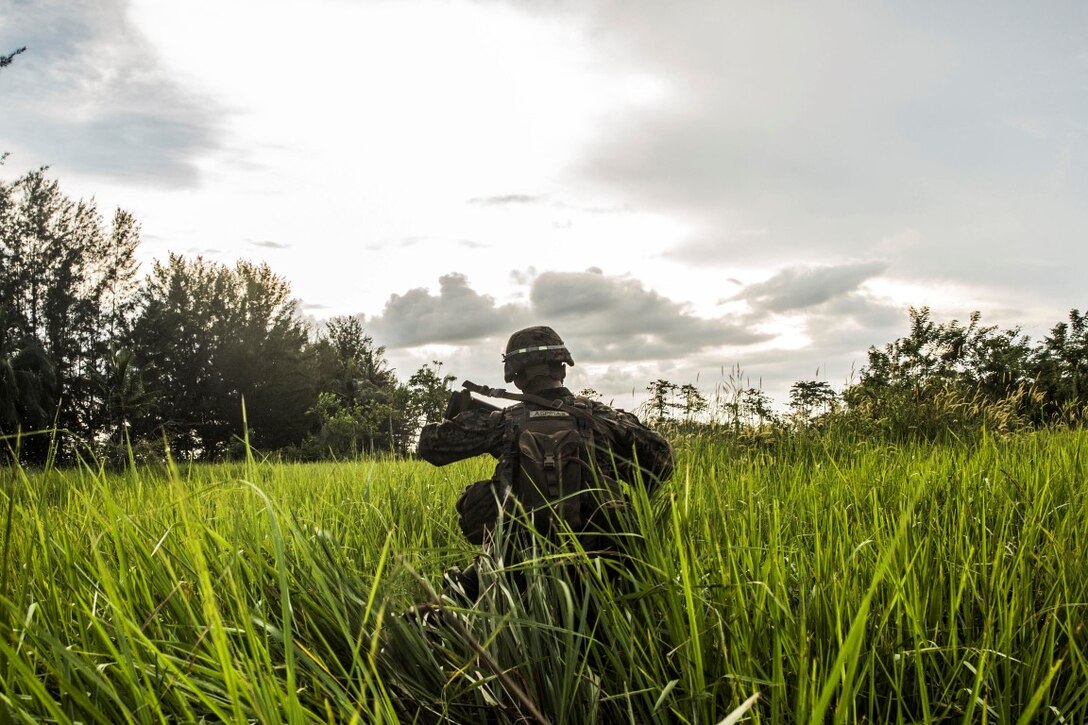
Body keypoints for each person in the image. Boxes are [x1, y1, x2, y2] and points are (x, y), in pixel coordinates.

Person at [416, 325, 674, 602]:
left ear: (515, 378)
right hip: (603, 561)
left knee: (448, 603)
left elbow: (431, 446)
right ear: (562, 369)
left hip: (516, 559)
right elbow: (662, 464)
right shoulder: (604, 418)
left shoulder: (502, 422)